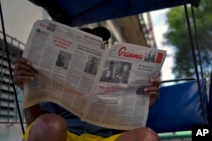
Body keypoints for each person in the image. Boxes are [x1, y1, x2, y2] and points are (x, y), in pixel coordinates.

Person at [14, 27, 161, 141]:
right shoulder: (54, 76)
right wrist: (28, 89)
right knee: (50, 124)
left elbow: (121, 133)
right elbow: (38, 127)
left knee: (146, 137)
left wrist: (141, 105)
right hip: (65, 136)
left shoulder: (114, 81)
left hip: (102, 138)